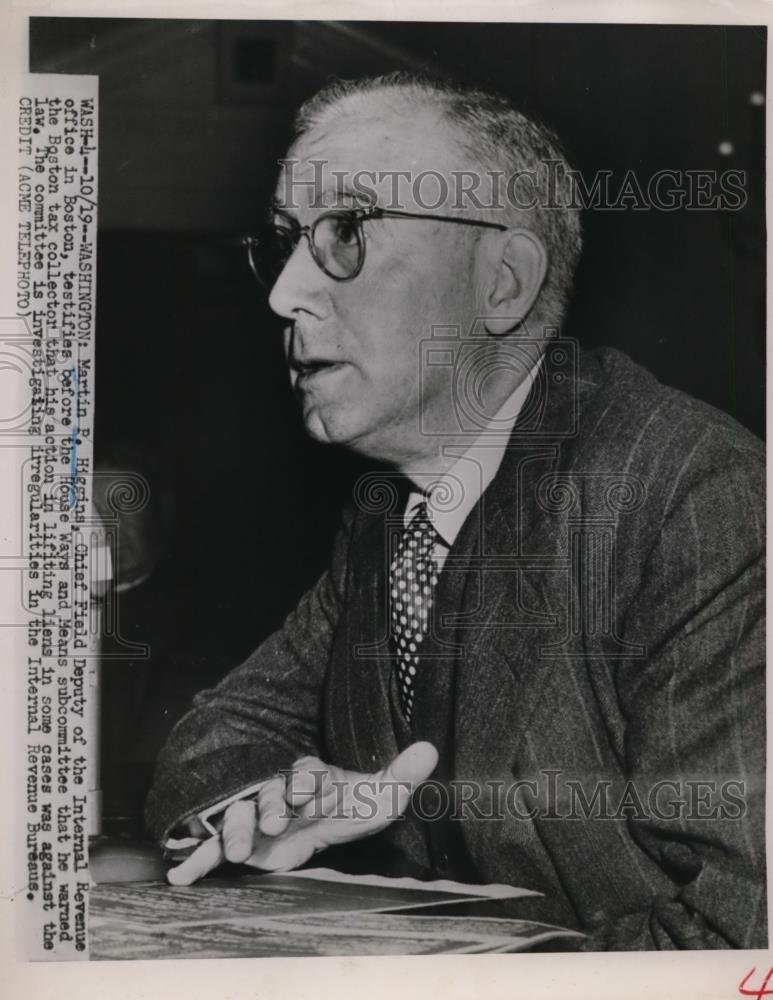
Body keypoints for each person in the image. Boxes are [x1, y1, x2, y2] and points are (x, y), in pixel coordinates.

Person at [145, 73, 765, 951]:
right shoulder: (392, 512)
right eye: (285, 241)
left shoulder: (697, 504)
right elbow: (214, 738)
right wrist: (266, 805)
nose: (283, 295)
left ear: (501, 282)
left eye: (347, 230)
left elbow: (740, 945)